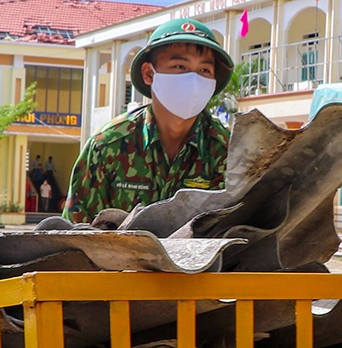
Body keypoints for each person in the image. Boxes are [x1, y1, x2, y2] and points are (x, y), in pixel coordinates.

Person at [65, 17, 231, 221]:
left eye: (204, 70)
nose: (194, 79)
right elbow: (74, 234)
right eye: (179, 66)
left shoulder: (229, 151)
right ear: (148, 74)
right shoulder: (107, 146)